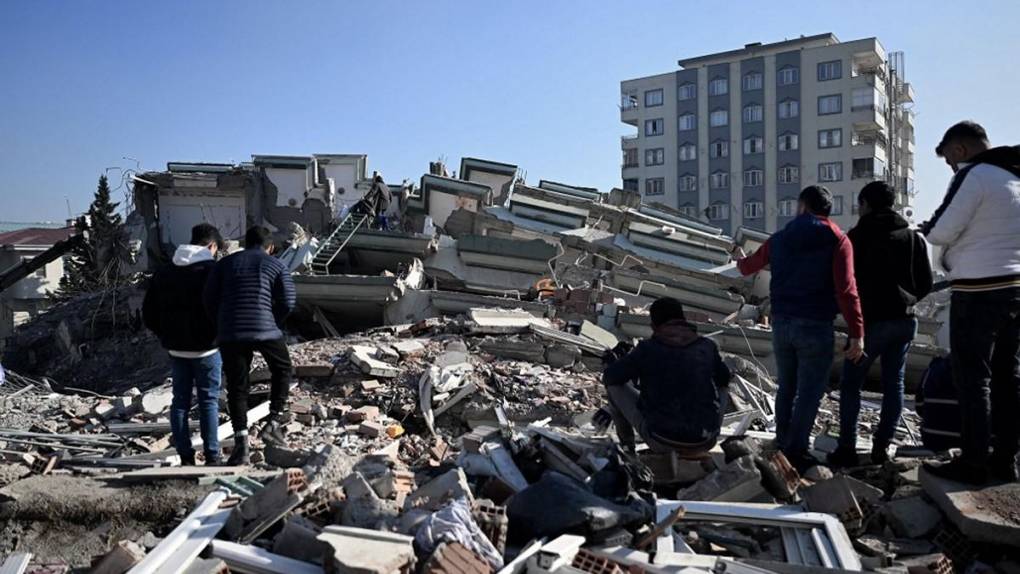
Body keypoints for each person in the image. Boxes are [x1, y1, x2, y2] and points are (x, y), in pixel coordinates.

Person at [735, 186, 865, 471]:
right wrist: (857, 332)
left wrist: (739, 259)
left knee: (787, 387)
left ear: (803, 207)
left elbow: (746, 268)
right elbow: (846, 290)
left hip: (781, 322)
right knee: (809, 391)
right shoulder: (839, 239)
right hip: (816, 325)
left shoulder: (780, 238)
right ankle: (796, 450)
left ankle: (782, 442)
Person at [921, 121, 1020, 484]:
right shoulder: (1014, 177)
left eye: (949, 160)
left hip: (979, 288)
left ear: (959, 150)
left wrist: (929, 230)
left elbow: (940, 230)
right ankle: (1006, 462)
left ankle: (974, 460)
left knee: (972, 376)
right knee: (1009, 378)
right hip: (1016, 288)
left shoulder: (974, 175)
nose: (951, 168)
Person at [828, 182, 933, 468]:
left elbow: (843, 284)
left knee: (851, 384)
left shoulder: (856, 237)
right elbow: (926, 283)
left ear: (865, 204)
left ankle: (846, 447)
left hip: (868, 324)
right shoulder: (912, 238)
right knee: (894, 384)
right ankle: (881, 448)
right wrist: (907, 299)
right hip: (904, 320)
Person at [204, 226, 296, 465]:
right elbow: (288, 301)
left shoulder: (223, 264)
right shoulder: (276, 265)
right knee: (283, 369)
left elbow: (209, 299)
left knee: (237, 385)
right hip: (266, 329)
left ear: (245, 243)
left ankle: (241, 444)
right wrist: (271, 320)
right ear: (271, 247)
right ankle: (273, 422)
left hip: (231, 332)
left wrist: (221, 323)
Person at [597, 297, 731, 455]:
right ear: (683, 320)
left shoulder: (647, 349)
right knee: (724, 387)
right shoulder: (707, 347)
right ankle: (704, 433)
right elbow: (725, 379)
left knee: (614, 386)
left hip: (662, 441)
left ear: (653, 326)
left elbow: (610, 377)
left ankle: (628, 448)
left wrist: (613, 363)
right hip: (705, 441)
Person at [142, 223, 224, 466]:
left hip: (176, 348)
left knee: (180, 402)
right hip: (207, 348)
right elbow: (223, 308)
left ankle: (185, 457)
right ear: (212, 245)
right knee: (208, 400)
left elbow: (149, 313)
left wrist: (166, 335)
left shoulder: (165, 271)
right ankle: (212, 455)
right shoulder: (212, 272)